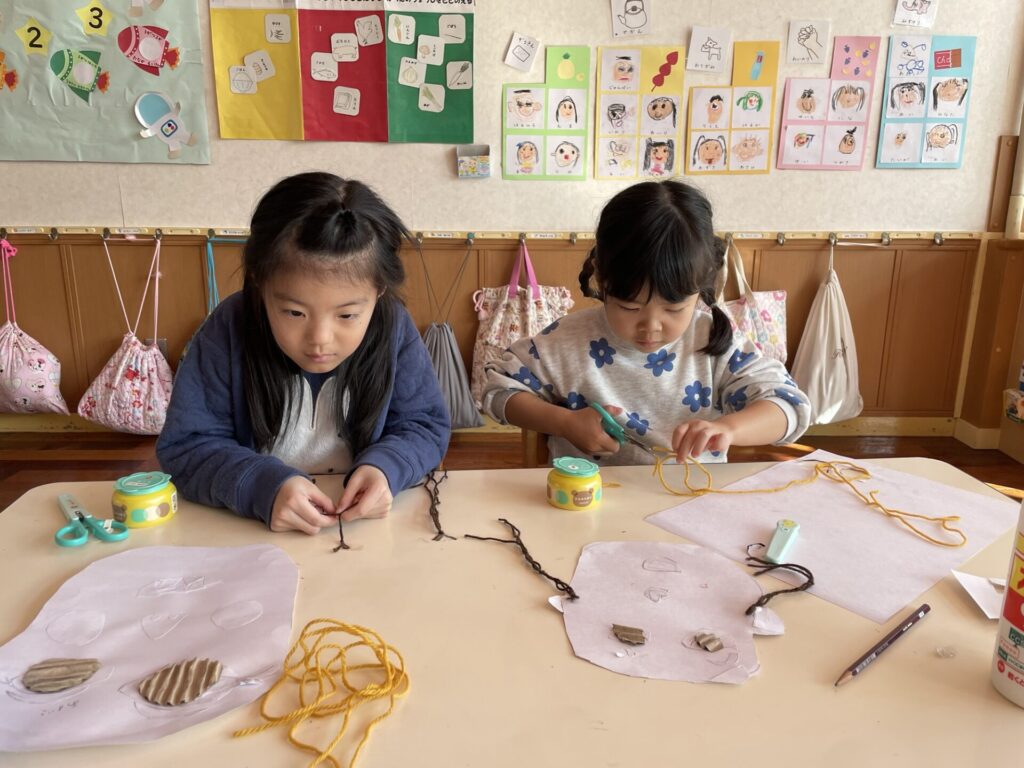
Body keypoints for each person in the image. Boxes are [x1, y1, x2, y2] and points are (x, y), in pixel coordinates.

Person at [157, 172, 450, 533]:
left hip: (364, 530)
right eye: (294, 313)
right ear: (260, 283)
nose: (320, 340)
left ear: (379, 292)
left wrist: (387, 467)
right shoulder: (229, 327)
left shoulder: (393, 329)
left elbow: (424, 425)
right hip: (250, 532)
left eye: (347, 315)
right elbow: (187, 446)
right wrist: (262, 485)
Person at [481, 180, 810, 465]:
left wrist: (729, 429)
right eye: (629, 307)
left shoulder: (713, 341)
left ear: (701, 290)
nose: (651, 326)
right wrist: (564, 422)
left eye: (674, 309)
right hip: (588, 501)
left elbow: (790, 405)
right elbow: (496, 390)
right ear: (602, 282)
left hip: (690, 500)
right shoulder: (567, 341)